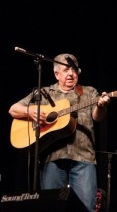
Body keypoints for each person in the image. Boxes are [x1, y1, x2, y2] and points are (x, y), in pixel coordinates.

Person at [8, 53, 111, 212]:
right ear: (57, 74)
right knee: (51, 207)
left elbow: (97, 117)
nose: (71, 74)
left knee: (86, 208)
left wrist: (102, 105)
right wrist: (31, 112)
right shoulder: (44, 93)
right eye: (66, 70)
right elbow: (13, 109)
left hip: (83, 158)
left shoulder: (89, 92)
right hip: (52, 158)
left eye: (74, 71)